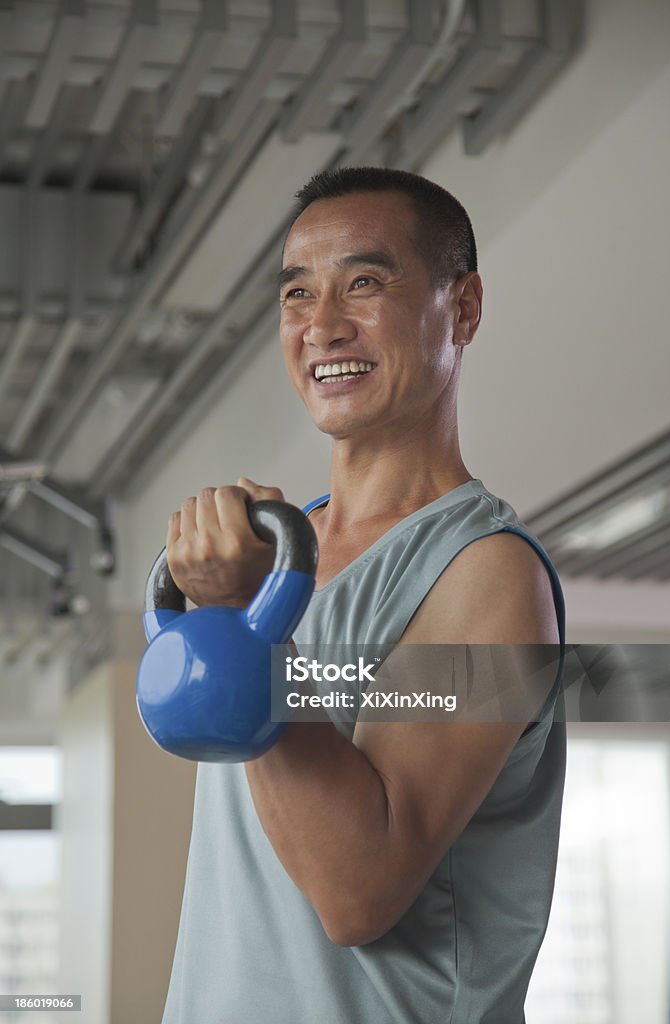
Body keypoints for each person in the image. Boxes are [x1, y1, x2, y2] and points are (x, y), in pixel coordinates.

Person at [160, 167, 566, 1023]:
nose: (322, 325)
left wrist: (243, 625)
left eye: (365, 283)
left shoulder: (491, 575)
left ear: (463, 309)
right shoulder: (277, 553)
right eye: (296, 294)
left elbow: (359, 893)